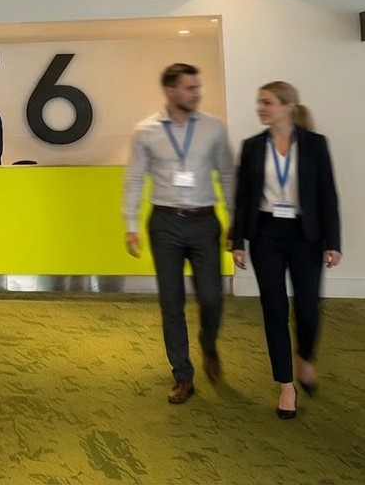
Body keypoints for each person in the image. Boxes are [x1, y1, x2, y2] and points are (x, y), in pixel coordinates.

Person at [122, 63, 236, 404]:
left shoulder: (214, 128)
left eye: (198, 87)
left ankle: (208, 342)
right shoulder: (146, 131)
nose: (197, 93)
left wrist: (235, 220)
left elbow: (227, 174)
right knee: (171, 303)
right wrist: (131, 224)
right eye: (190, 88)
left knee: (212, 298)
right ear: (171, 91)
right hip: (165, 223)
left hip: (204, 221)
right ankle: (183, 375)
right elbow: (135, 178)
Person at [230, 81, 341, 420]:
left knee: (308, 308)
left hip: (305, 235)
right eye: (259, 102)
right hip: (266, 235)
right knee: (274, 308)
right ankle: (286, 385)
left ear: (288, 105)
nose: (260, 108)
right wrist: (237, 241)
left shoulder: (315, 144)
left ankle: (304, 357)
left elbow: (327, 194)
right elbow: (243, 197)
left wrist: (334, 242)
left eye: (267, 102)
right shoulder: (252, 146)